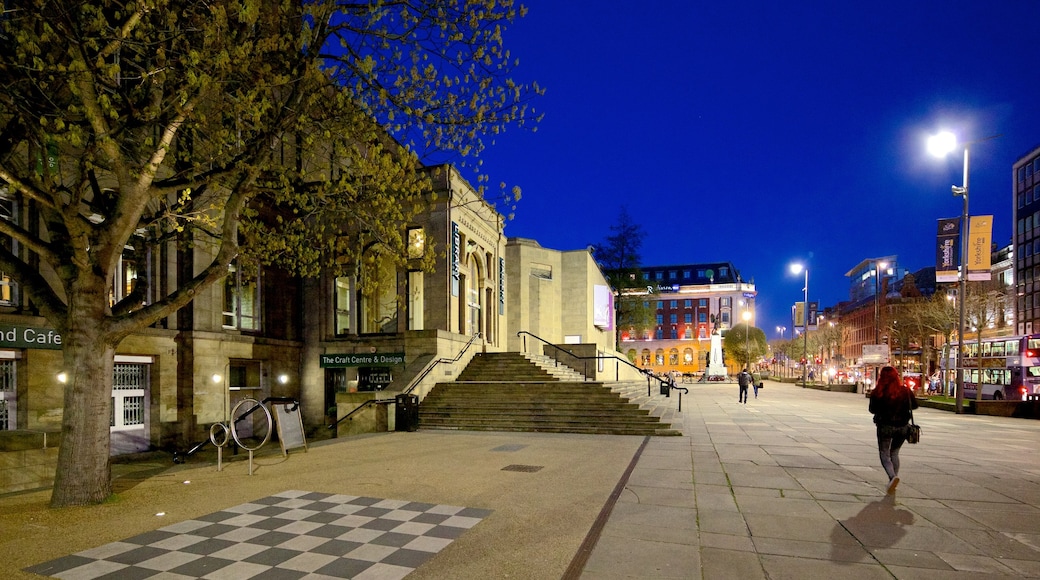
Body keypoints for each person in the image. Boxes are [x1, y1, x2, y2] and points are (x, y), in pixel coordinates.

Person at [868, 366, 919, 494]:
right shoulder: (905, 391)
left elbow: (872, 410)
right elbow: (915, 406)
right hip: (902, 427)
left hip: (885, 427)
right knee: (894, 453)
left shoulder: (877, 392)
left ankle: (892, 477)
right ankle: (893, 479)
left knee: (884, 453)